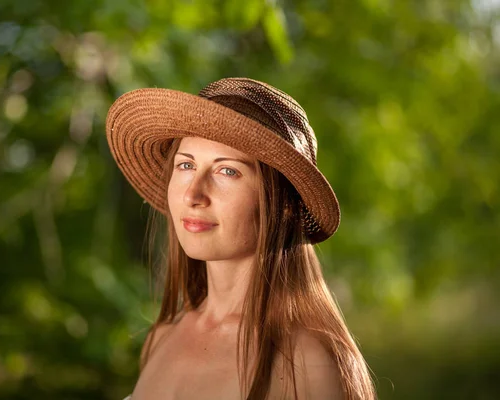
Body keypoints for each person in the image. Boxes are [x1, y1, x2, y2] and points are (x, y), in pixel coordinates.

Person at [105, 78, 376, 399]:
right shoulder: (160, 339)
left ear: (286, 205)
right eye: (186, 165)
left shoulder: (310, 366)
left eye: (227, 171)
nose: (194, 194)